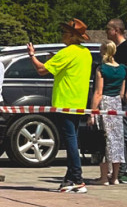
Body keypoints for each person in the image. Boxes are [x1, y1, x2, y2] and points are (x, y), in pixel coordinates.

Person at [27, 18, 93, 193]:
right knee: (72, 138)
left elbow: (42, 70)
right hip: (79, 101)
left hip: (65, 101)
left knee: (70, 139)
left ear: (72, 36)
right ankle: (70, 177)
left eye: (65, 33)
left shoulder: (68, 52)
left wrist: (32, 55)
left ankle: (77, 178)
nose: (62, 35)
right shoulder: (85, 53)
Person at [105, 19, 127, 183]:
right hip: (117, 96)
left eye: (108, 29)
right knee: (120, 134)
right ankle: (122, 169)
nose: (106, 32)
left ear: (116, 30)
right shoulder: (115, 49)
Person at [89, 40, 126, 185]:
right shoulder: (123, 69)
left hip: (105, 103)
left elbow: (98, 92)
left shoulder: (101, 69)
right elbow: (122, 93)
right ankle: (115, 177)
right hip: (116, 104)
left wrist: (92, 112)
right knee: (117, 140)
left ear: (103, 52)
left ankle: (104, 177)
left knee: (104, 140)